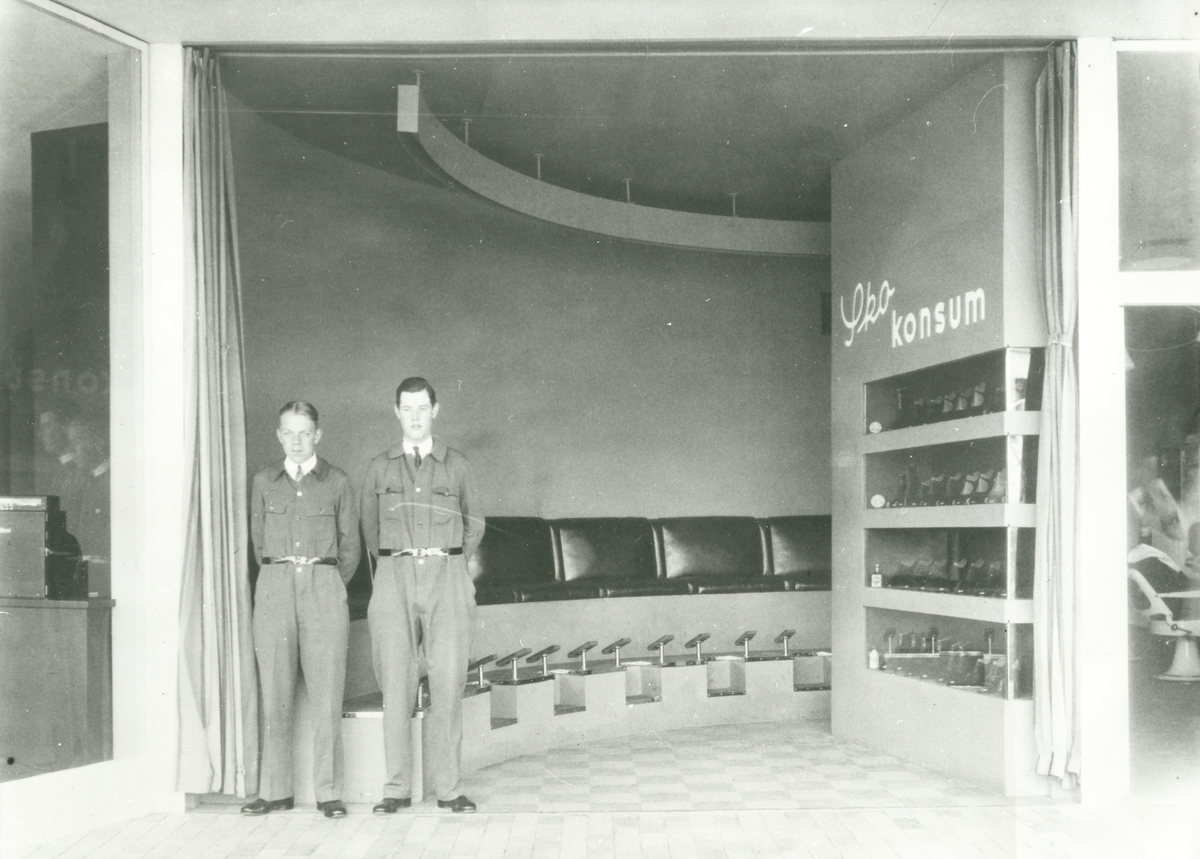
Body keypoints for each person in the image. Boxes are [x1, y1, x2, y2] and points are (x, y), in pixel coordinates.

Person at [361, 377, 484, 814]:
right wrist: (399, 562)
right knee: (395, 683)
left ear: (436, 410)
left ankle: (449, 788)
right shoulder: (379, 467)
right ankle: (396, 788)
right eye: (407, 408)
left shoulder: (457, 465)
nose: (415, 416)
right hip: (394, 576)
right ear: (396, 411)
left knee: (448, 683)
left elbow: (474, 523)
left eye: (422, 408)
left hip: (446, 575)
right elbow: (370, 529)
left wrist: (447, 560)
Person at [243, 402, 360, 819]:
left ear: (317, 435)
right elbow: (259, 543)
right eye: (289, 433)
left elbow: (350, 548)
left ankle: (328, 793)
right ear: (279, 435)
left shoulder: (337, 482)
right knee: (274, 694)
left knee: (326, 696)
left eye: (304, 433)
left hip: (323, 588)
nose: (296, 441)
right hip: (274, 589)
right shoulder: (263, 482)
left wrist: (325, 584)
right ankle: (276, 790)